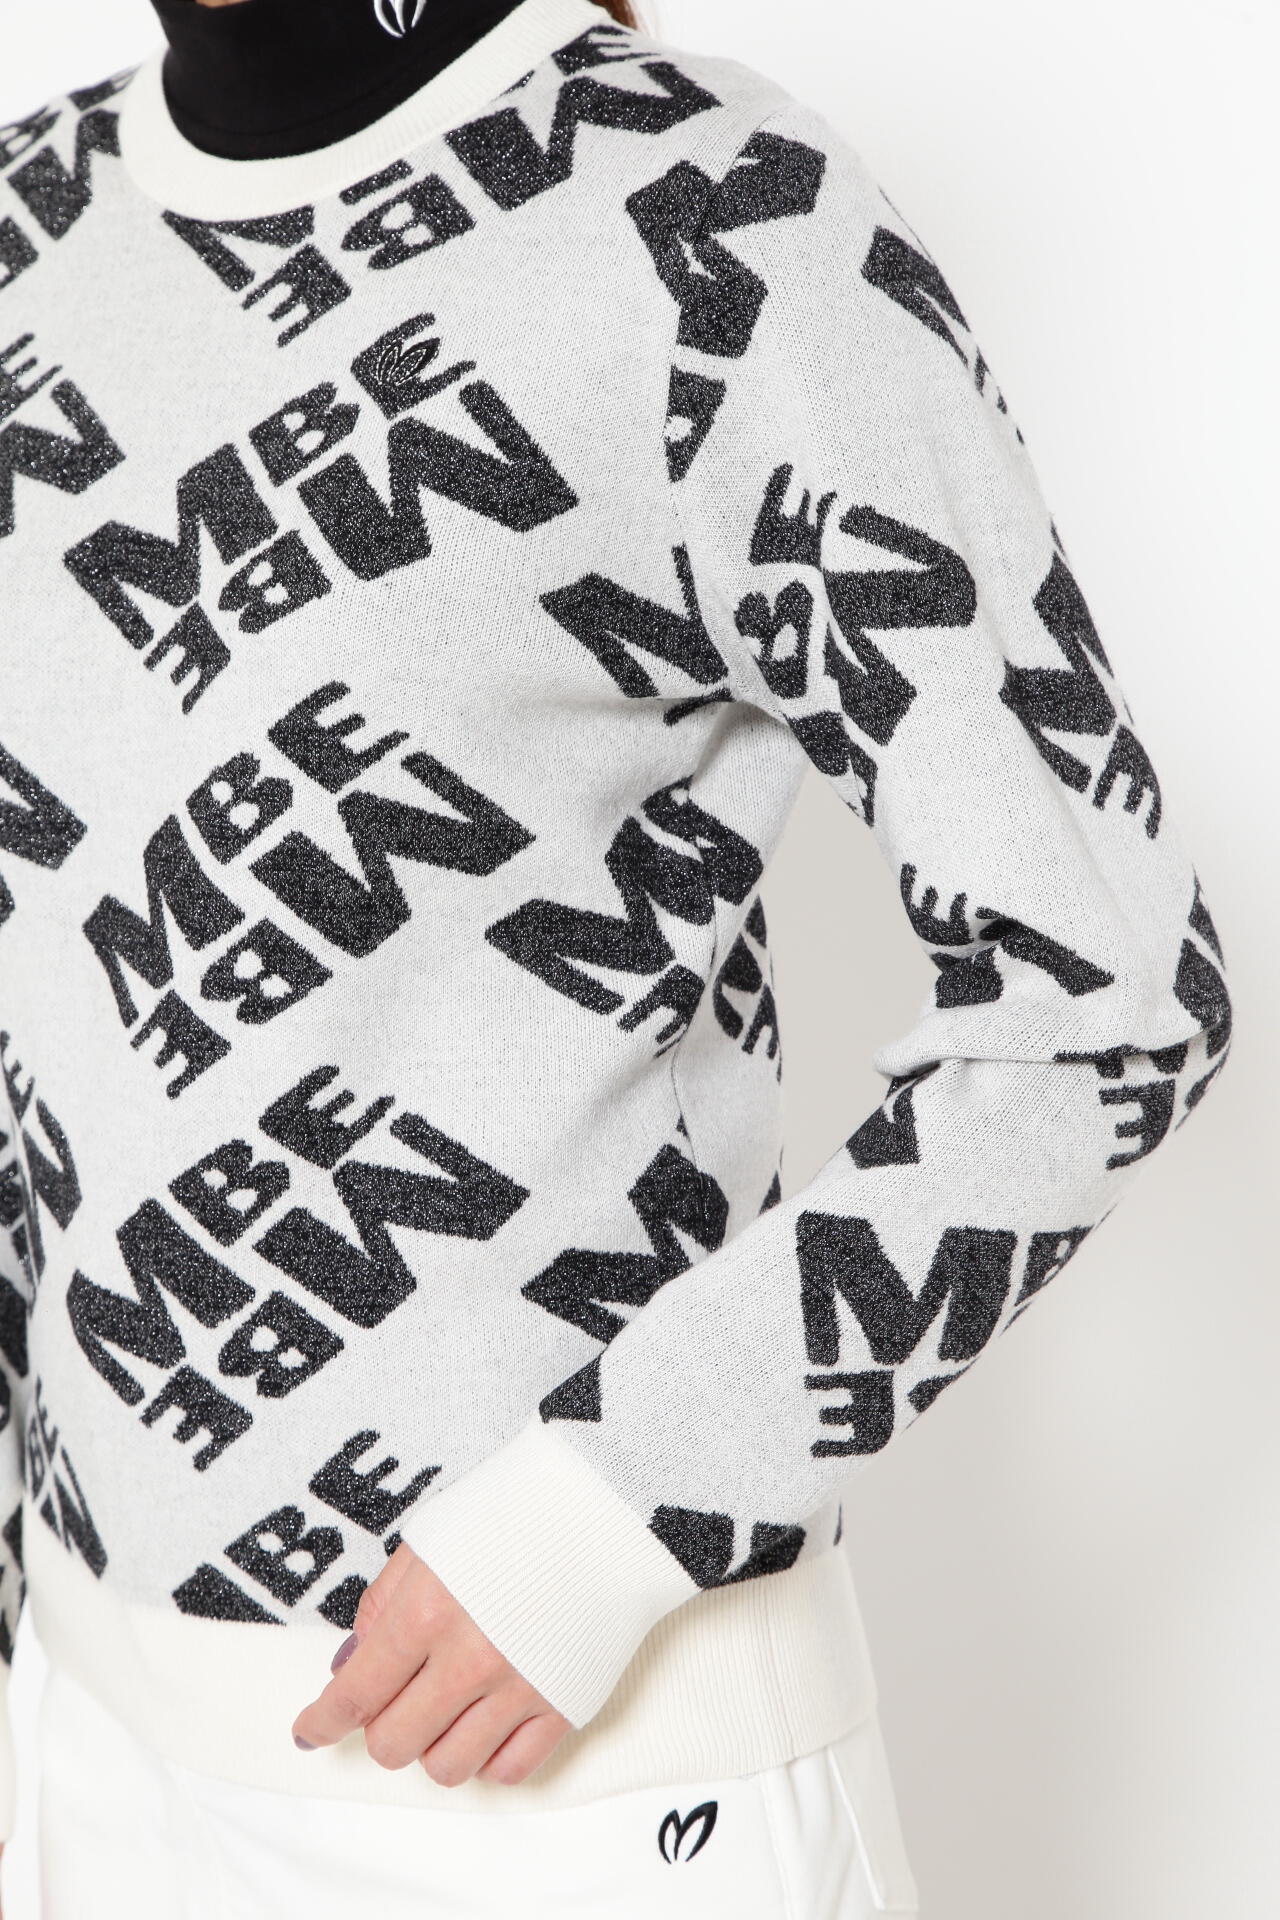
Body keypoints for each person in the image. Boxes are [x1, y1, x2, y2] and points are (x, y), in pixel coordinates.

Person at [0, 0, 1233, 1912]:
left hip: (573, 1786)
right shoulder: (35, 208)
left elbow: (1111, 996)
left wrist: (614, 1508)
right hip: (93, 1757)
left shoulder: (717, 216)